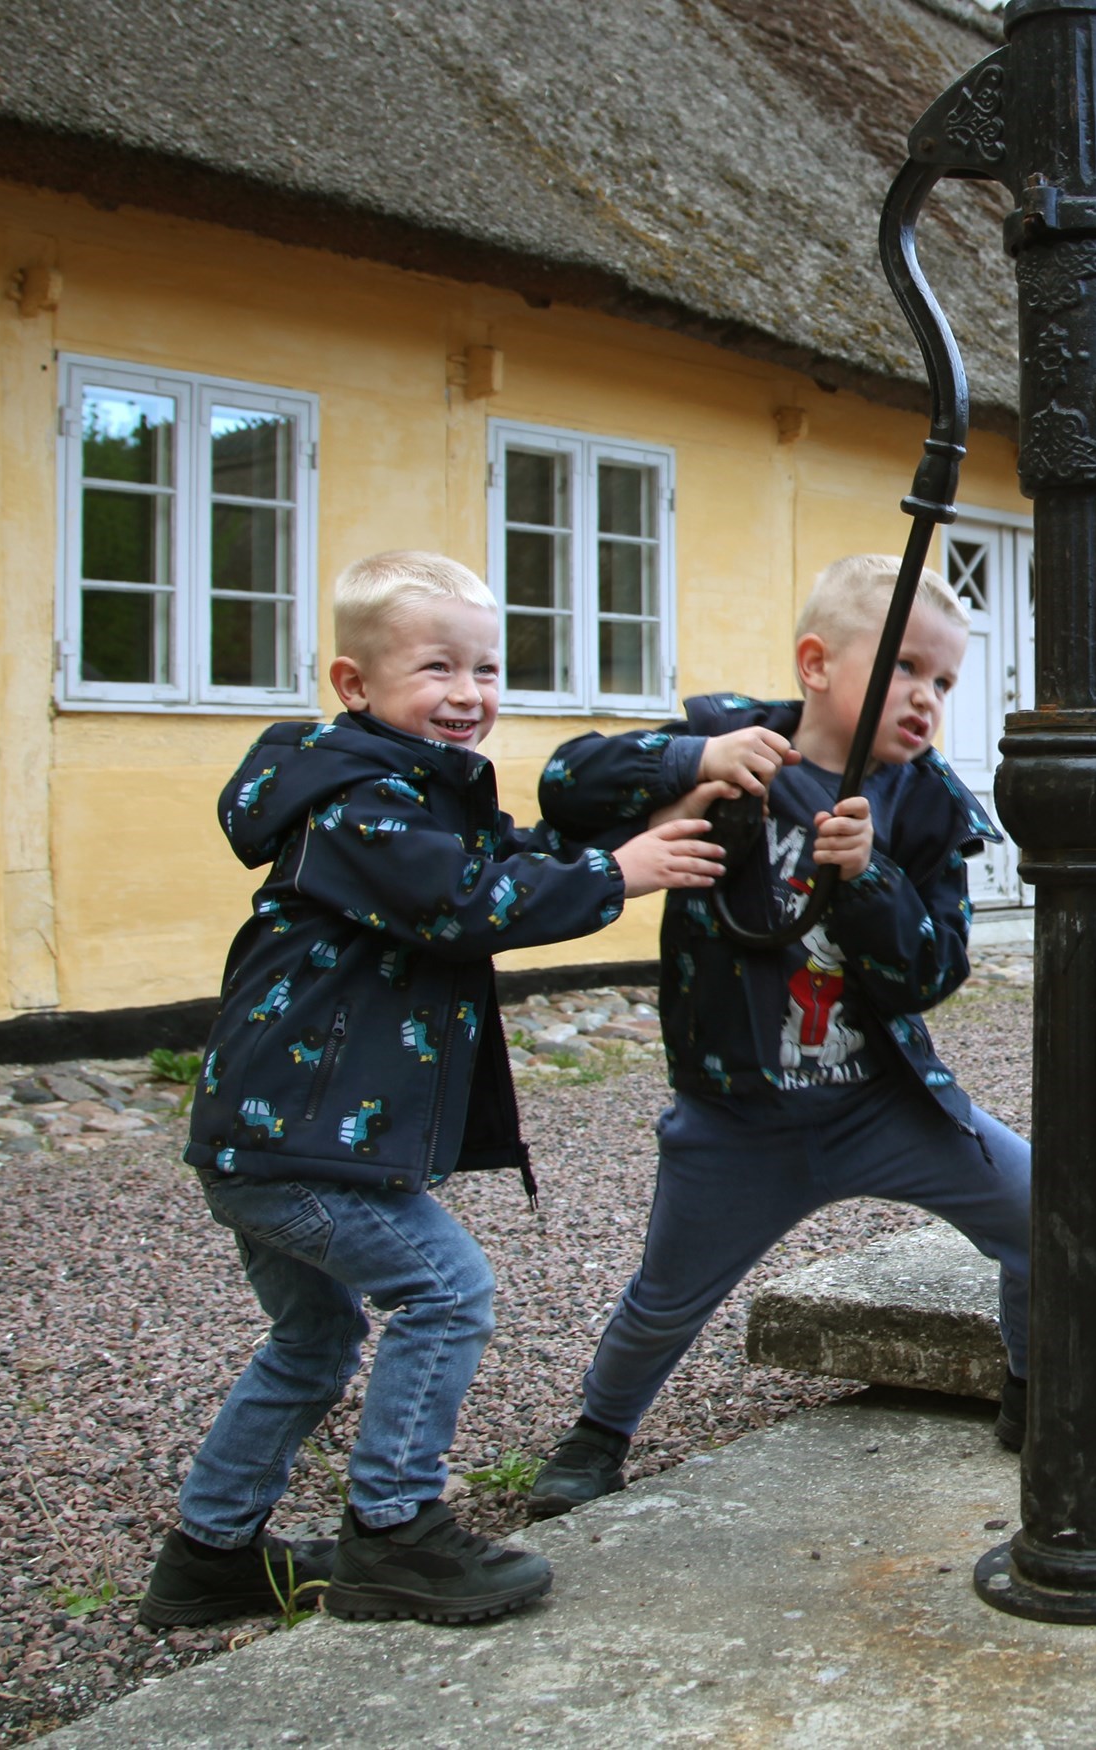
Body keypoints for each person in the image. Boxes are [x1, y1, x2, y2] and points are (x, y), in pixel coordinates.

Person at [137, 550, 724, 1630]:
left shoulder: (412, 790)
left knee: (314, 1342)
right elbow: (465, 902)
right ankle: (395, 1530)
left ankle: (207, 1556)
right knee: (446, 1291)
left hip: (273, 1138)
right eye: (437, 668)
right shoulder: (360, 801)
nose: (469, 693)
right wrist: (617, 876)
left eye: (488, 667)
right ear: (353, 685)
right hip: (297, 1142)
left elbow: (516, 855)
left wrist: (632, 832)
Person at [517, 554, 1031, 1519]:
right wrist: (688, 766)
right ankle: (598, 1432)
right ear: (816, 663)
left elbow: (935, 974)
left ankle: (1035, 1385)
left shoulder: (927, 808)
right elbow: (563, 783)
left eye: (945, 681)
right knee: (666, 1296)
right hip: (739, 1112)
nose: (926, 698)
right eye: (906, 668)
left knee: (1048, 1219)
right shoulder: (728, 744)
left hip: (885, 1103)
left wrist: (874, 879)